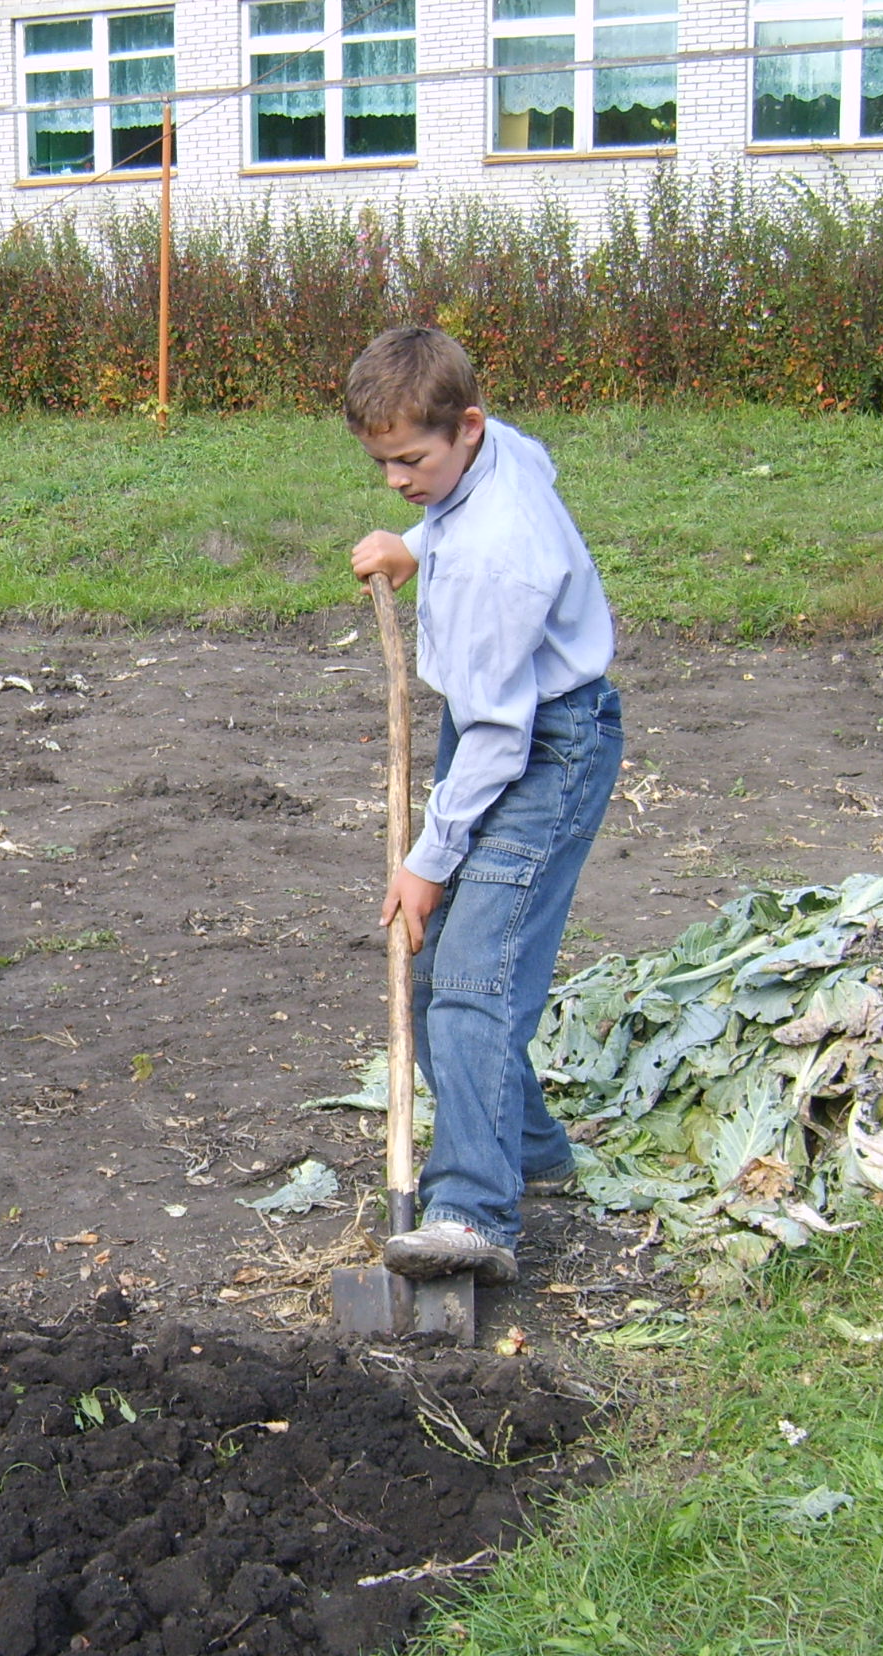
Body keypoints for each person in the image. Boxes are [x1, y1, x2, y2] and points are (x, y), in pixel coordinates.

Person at [344, 325, 623, 1286]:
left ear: (467, 426)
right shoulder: (489, 462)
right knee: (436, 986)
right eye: (380, 463)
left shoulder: (503, 556)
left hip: (544, 748)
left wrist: (425, 860)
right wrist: (415, 544)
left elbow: (502, 739)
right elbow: (471, 503)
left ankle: (474, 1210)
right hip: (497, 727)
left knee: (471, 975)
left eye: (409, 462)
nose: (393, 480)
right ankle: (535, 1155)